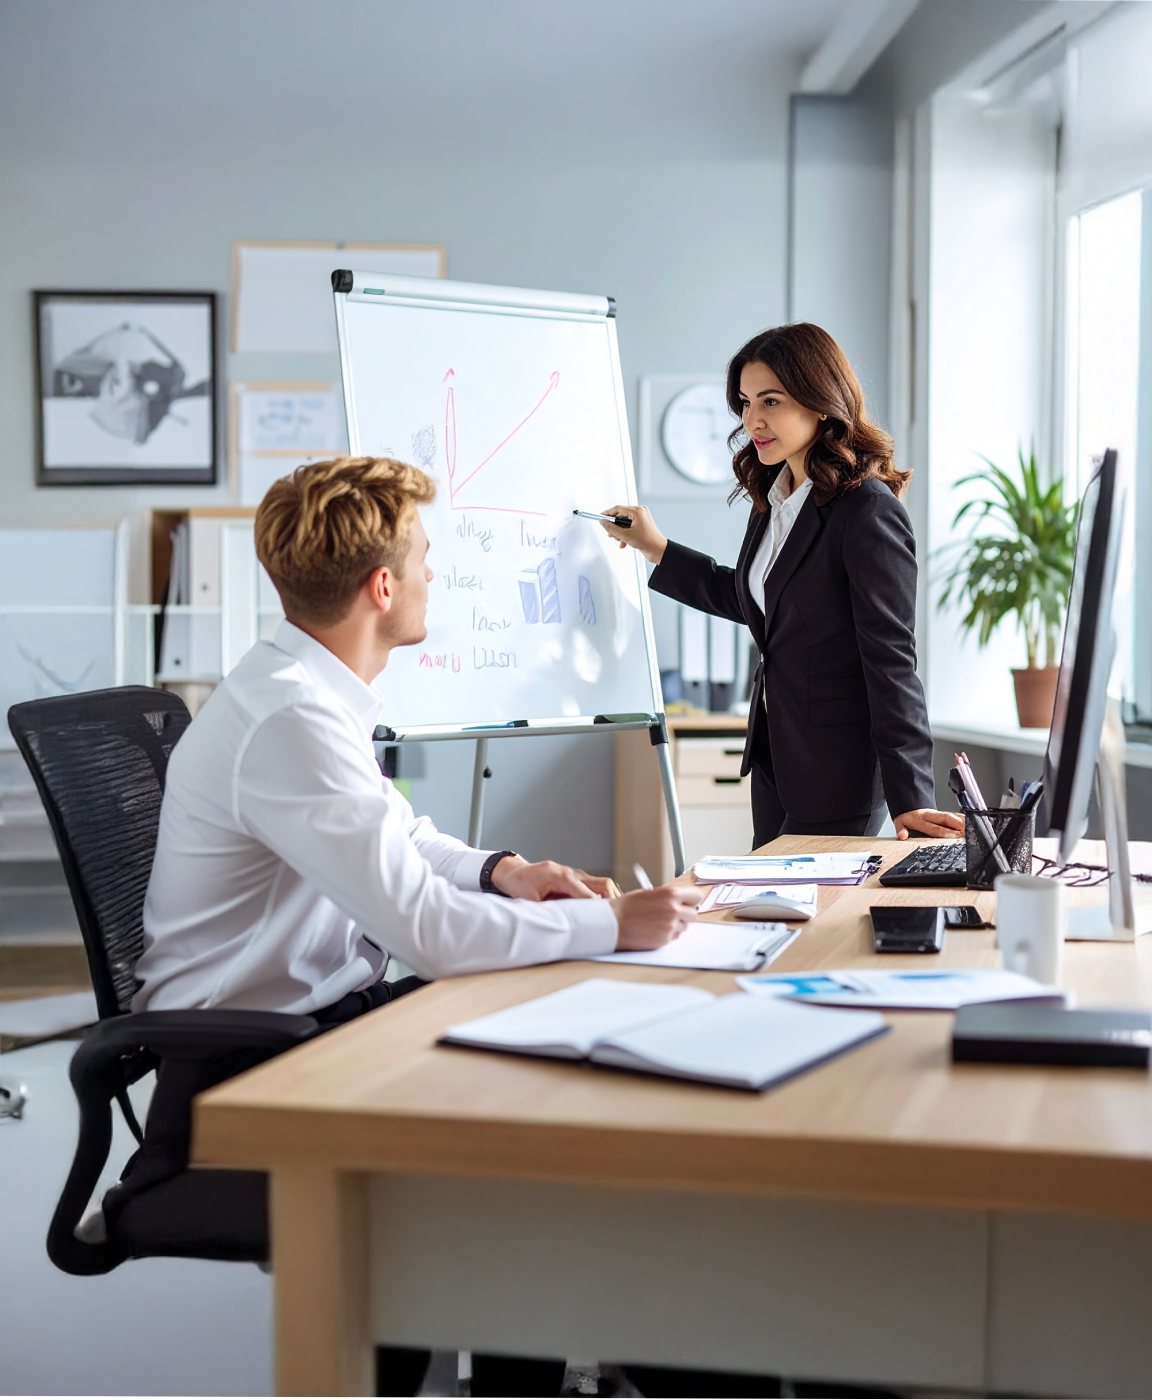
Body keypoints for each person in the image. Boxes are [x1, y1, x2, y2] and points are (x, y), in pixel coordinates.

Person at [130, 453, 701, 1398]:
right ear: (381, 586)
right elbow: (431, 932)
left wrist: (505, 870)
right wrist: (616, 926)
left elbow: (401, 838)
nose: (437, 575)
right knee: (533, 1155)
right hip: (248, 1072)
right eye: (427, 559)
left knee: (548, 1094)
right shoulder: (291, 722)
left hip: (319, 1032)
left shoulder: (304, 692)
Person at [603, 323, 962, 849]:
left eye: (770, 401)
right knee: (771, 914)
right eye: (746, 403)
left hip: (838, 768)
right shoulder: (776, 496)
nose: (752, 420)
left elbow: (890, 659)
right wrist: (657, 547)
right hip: (777, 755)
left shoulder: (866, 511)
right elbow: (757, 605)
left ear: (820, 401)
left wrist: (913, 794)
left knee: (809, 920)